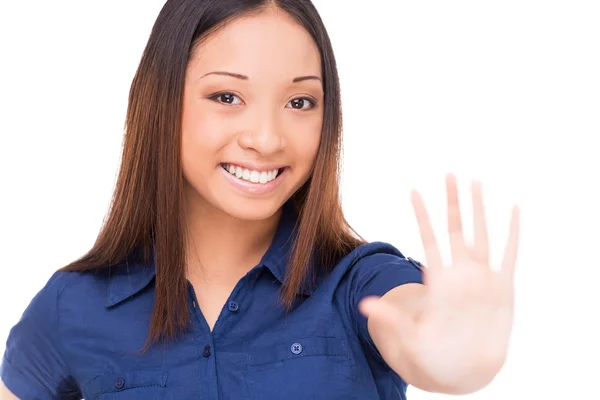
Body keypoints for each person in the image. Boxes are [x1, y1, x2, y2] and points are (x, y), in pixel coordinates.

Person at [0, 0, 520, 399]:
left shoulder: (359, 282)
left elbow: (421, 332)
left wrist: (458, 354)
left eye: (300, 102)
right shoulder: (73, 305)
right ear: (161, 102)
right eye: (227, 97)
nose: (267, 138)